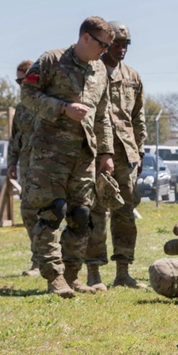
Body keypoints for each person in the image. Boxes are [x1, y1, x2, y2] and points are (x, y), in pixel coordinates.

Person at [20, 17, 115, 298]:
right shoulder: (51, 60)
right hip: (50, 153)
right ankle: (54, 277)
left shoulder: (100, 70)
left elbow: (103, 114)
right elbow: (27, 94)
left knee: (81, 215)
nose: (105, 51)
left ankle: (72, 275)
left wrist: (106, 152)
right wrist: (62, 108)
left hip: (84, 155)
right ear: (86, 38)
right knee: (52, 212)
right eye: (102, 45)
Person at [85, 21, 146, 290]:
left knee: (125, 213)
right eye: (116, 45)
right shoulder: (91, 72)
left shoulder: (132, 76)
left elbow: (139, 118)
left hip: (127, 153)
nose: (121, 50)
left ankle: (123, 272)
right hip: (96, 153)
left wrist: (140, 152)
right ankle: (94, 272)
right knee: (95, 213)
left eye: (125, 45)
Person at [7, 59, 38, 276]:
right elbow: (15, 137)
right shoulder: (22, 109)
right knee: (29, 213)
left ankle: (65, 262)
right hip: (28, 169)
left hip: (53, 169)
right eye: (18, 81)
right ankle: (38, 260)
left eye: (24, 80)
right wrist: (11, 162)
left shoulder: (50, 103)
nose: (21, 85)